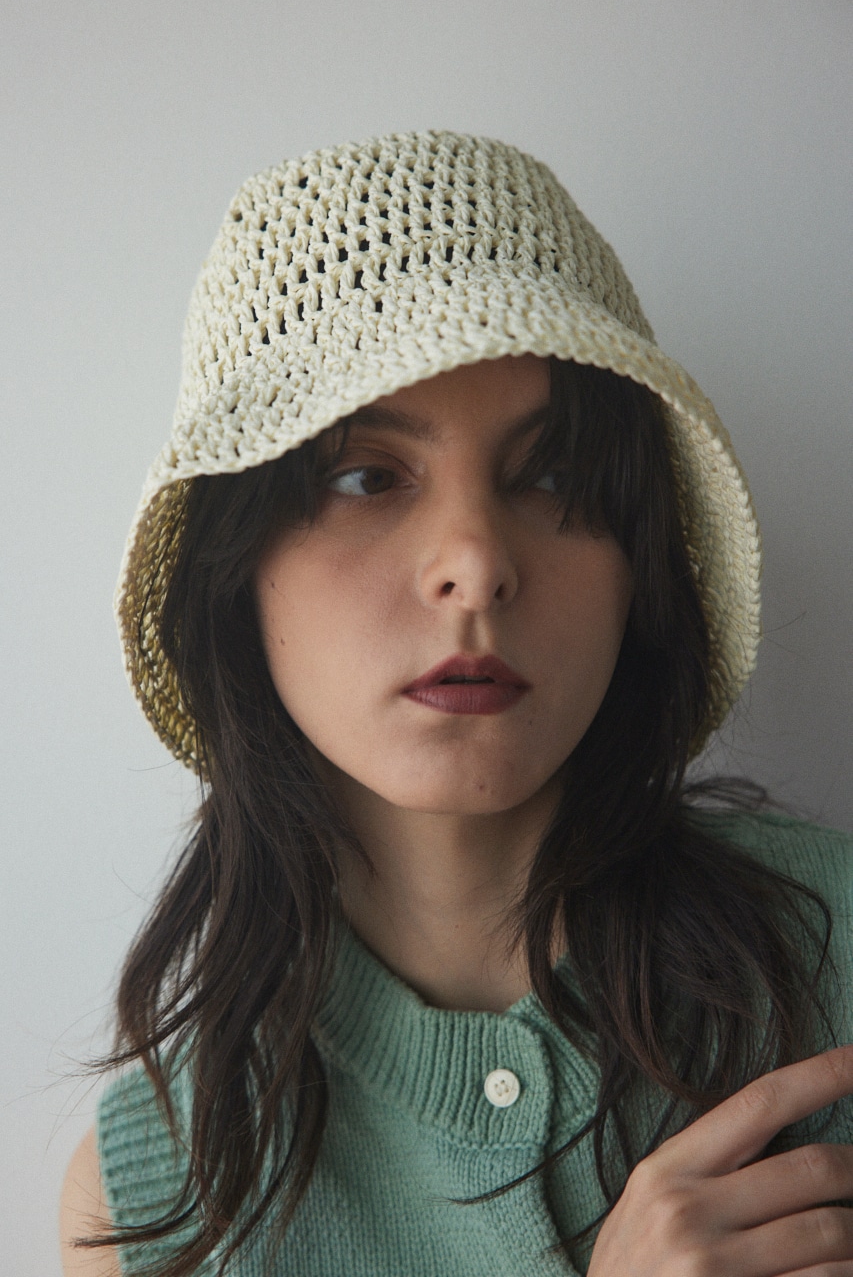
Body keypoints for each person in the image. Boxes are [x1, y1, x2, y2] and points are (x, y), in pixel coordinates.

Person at [60, 131, 853, 1277]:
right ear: (236, 570)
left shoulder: (833, 955)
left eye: (555, 476)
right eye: (365, 475)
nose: (475, 565)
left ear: (637, 561)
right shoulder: (159, 1199)